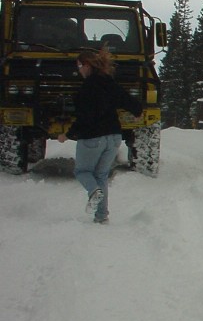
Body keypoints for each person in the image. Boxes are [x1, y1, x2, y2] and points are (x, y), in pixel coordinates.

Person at [58, 48, 143, 224]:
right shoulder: (109, 82)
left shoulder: (87, 88)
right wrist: (137, 110)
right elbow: (126, 99)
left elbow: (84, 117)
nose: (79, 70)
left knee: (83, 171)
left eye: (79, 66)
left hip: (92, 138)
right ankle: (101, 216)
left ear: (87, 65)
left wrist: (67, 134)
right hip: (113, 137)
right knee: (101, 174)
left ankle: (93, 191)